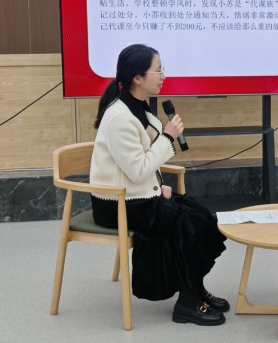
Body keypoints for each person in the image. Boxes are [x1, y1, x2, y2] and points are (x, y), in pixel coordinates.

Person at [90, 44, 228, 326]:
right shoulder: (119, 118)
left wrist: (160, 184)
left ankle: (196, 290)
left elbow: (143, 162)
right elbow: (138, 169)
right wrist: (167, 137)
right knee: (184, 222)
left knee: (198, 214)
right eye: (158, 70)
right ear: (137, 77)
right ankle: (187, 303)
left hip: (136, 195)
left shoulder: (140, 108)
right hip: (116, 204)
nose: (163, 75)